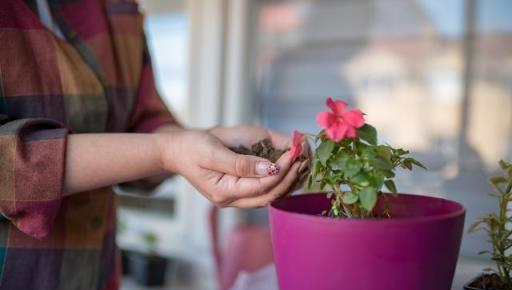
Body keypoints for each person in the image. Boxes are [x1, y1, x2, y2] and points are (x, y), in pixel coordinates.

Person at [0, 1, 309, 289]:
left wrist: (211, 142)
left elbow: (145, 123)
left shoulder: (117, 6)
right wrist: (167, 153)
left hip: (96, 273)